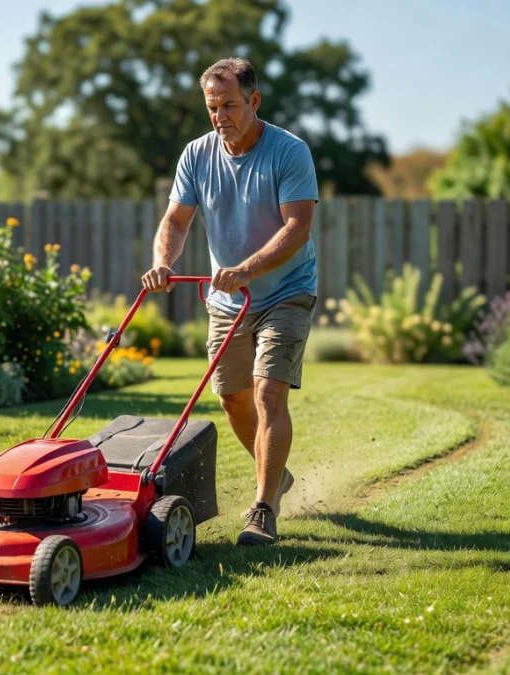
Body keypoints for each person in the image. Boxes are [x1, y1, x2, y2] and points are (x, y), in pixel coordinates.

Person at [141, 56, 318, 546]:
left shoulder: (289, 152)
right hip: (227, 302)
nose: (220, 116)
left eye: (229, 105)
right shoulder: (196, 155)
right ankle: (275, 474)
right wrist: (164, 262)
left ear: (254, 101)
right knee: (232, 398)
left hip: (286, 291)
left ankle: (263, 507)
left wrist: (246, 269)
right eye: (212, 107)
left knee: (267, 392)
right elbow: (176, 222)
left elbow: (297, 228)